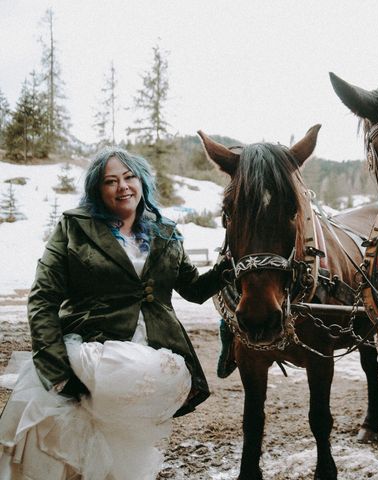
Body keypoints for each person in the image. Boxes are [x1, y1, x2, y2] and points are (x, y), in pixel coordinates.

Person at [0, 147, 229, 479]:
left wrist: (230, 267)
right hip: (89, 352)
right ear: (97, 189)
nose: (123, 187)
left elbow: (193, 289)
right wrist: (55, 368)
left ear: (142, 182)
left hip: (148, 358)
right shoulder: (74, 227)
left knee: (118, 456)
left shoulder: (165, 232)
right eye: (111, 181)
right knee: (68, 453)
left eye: (129, 176)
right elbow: (42, 299)